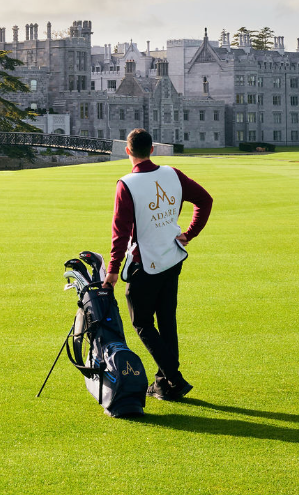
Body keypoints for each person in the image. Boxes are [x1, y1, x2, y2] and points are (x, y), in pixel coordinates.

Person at [103, 128, 212, 402]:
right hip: (172, 258)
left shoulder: (126, 184)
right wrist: (189, 233)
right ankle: (165, 385)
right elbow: (205, 200)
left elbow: (120, 233)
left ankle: (174, 378)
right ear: (152, 149)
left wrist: (113, 270)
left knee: (141, 321)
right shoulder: (172, 174)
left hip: (146, 263)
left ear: (127, 151)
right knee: (166, 321)